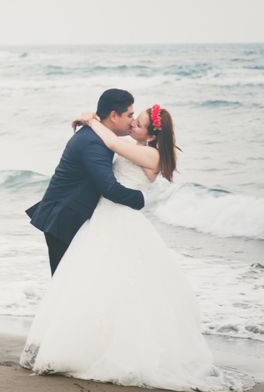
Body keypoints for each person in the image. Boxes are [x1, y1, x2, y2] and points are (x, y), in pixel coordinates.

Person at [19, 104, 255, 391]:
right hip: (106, 217)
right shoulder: (144, 147)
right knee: (98, 284)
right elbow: (114, 143)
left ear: (152, 134)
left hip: (118, 218)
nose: (133, 125)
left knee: (111, 283)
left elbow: (112, 142)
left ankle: (104, 349)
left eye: (139, 123)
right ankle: (91, 342)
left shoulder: (149, 153)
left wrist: (91, 120)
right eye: (132, 118)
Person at [25, 88, 145, 276]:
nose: (132, 121)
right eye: (130, 115)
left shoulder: (97, 135)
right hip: (64, 221)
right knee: (66, 284)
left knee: (75, 283)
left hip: (69, 216)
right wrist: (140, 199)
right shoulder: (93, 142)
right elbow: (109, 188)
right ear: (114, 116)